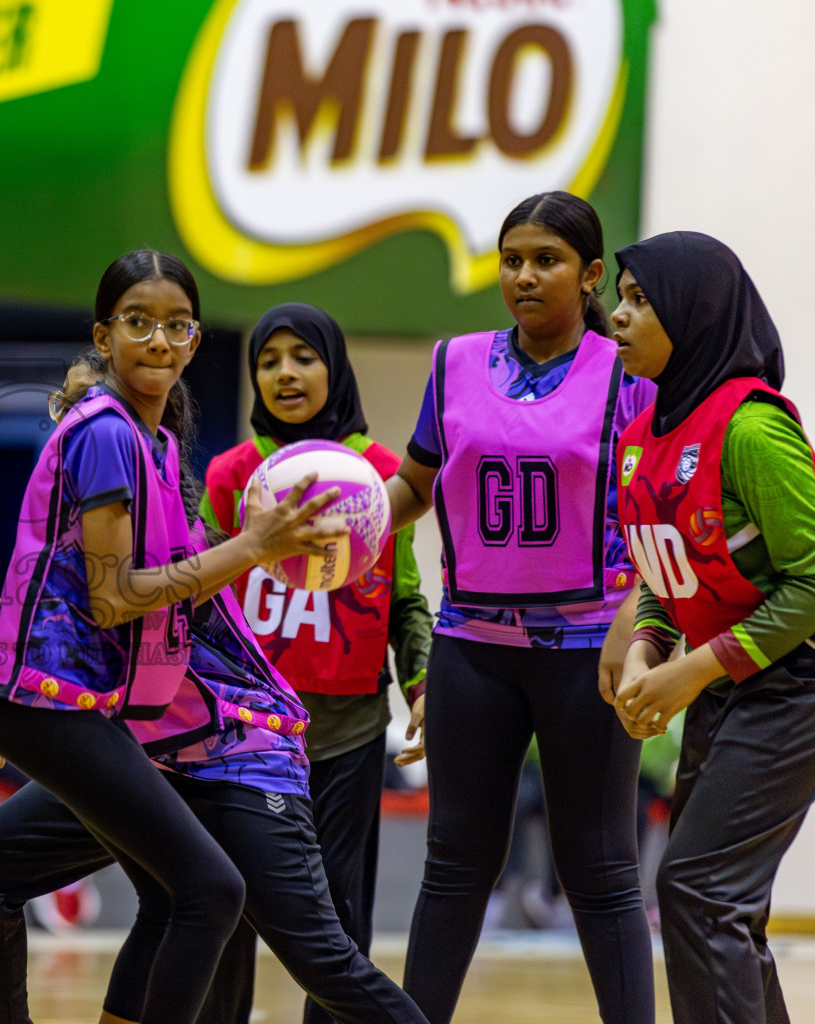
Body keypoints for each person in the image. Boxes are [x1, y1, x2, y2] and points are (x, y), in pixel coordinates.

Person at [0, 355, 431, 1024]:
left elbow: (134, 630)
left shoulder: (175, 530)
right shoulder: (78, 523)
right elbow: (78, 646)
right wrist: (24, 715)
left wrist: (11, 626)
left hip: (236, 753)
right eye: (68, 408)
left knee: (319, 957)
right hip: (147, 753)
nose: (80, 424)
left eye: (98, 409)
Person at [0, 250, 347, 1024]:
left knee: (12, 875)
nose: (158, 340)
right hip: (55, 706)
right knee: (209, 891)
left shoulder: (159, 449)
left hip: (93, 710)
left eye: (177, 326)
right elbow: (113, 602)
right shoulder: (108, 434)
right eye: (138, 323)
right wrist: (251, 548)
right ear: (104, 335)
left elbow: (129, 602)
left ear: (196, 341)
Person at [382, 191, 656, 1024]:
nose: (526, 276)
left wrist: (638, 628)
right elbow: (414, 488)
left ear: (593, 273)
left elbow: (657, 512)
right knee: (456, 864)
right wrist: (339, 514)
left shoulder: (630, 370)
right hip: (472, 647)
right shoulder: (452, 362)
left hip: (589, 651)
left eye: (548, 260)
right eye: (512, 260)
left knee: (601, 872)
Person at [200, 303, 432, 1023]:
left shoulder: (383, 473)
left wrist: (424, 688)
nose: (285, 373)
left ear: (336, 365)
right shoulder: (230, 475)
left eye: (303, 355)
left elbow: (407, 601)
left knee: (336, 920)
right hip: (240, 737)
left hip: (347, 732)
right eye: (268, 361)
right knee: (223, 907)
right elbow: (199, 601)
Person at [608, 230, 815, 1024]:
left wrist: (692, 671)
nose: (618, 317)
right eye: (620, 298)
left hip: (793, 687)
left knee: (696, 891)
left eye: (639, 300)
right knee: (723, 907)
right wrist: (645, 650)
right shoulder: (643, 438)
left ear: (694, 315)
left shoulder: (755, 430)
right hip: (729, 685)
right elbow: (669, 576)